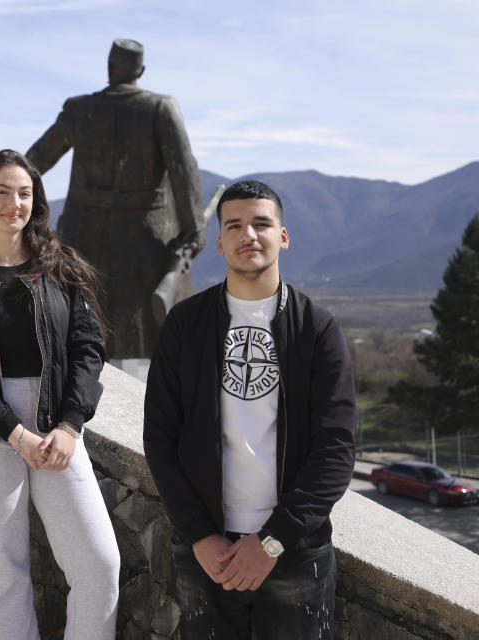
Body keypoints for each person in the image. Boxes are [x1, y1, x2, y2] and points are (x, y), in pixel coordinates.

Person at [142, 180, 356, 639]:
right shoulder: (185, 325)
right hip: (208, 550)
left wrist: (273, 540)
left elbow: (336, 449)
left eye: (262, 223)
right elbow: (160, 437)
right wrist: (199, 534)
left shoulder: (317, 329)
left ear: (283, 236)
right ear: (218, 243)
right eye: (234, 225)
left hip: (294, 550)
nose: (248, 235)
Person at [0, 149, 121, 639]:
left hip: (58, 429)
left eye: (24, 193)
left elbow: (88, 349)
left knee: (99, 564)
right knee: (4, 575)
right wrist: (14, 435)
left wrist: (69, 424)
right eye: (2, 192)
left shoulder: (61, 269)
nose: (13, 202)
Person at [26, 38, 205, 359]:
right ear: (141, 71)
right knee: (148, 339)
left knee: (80, 328)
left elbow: (35, 161)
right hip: (146, 241)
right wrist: (194, 231)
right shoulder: (161, 109)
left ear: (109, 68)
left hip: (82, 237)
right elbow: (183, 171)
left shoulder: (78, 110)